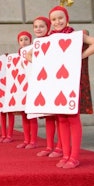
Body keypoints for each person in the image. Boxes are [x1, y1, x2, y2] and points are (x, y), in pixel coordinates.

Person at [48, 5, 94, 169]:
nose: (57, 21)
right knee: (61, 118)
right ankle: (65, 155)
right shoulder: (49, 40)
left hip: (72, 82)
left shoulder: (75, 36)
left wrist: (80, 56)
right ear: (51, 22)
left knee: (72, 118)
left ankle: (74, 157)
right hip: (56, 84)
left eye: (60, 18)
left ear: (67, 19)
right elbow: (33, 56)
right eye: (54, 19)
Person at [31, 17, 63, 158]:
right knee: (49, 118)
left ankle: (60, 147)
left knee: (58, 118)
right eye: (36, 26)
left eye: (42, 26)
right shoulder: (37, 44)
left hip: (56, 83)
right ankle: (49, 146)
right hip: (44, 84)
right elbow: (28, 55)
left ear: (48, 27)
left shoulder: (53, 40)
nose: (38, 29)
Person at [14, 31, 39, 149]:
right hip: (22, 87)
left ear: (30, 40)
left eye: (26, 39)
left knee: (31, 115)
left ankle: (33, 140)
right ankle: (26, 139)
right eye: (21, 40)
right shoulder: (18, 54)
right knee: (24, 115)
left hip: (32, 85)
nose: (24, 42)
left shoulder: (35, 49)